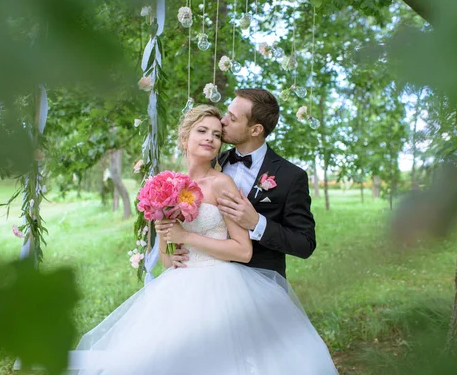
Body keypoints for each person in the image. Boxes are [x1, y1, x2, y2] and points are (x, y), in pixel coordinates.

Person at [67, 105, 337, 374]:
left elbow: (243, 251)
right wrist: (168, 250)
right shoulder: (166, 185)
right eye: (202, 131)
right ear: (185, 138)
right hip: (177, 288)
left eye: (217, 135)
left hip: (222, 285)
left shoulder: (222, 184)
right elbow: (165, 252)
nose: (211, 138)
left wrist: (188, 236)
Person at [168, 89, 316, 279]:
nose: (223, 121)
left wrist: (257, 223)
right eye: (226, 113)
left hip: (260, 285)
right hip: (202, 276)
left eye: (232, 118)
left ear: (255, 130)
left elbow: (305, 244)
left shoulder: (291, 177)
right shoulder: (210, 160)